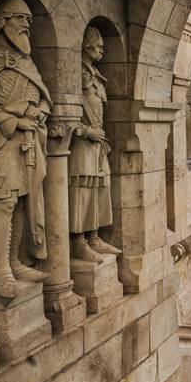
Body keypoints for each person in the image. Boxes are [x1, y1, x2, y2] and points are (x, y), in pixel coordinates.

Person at [0, 0, 51, 299]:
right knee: (1, 204)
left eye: (29, 21)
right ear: (2, 22)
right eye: (20, 18)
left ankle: (14, 261)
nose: (26, 25)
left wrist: (39, 111)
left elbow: (43, 96)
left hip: (28, 144)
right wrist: (12, 119)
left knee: (21, 202)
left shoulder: (27, 61)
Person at [70, 27, 121, 263]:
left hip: (98, 145)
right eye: (98, 45)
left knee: (101, 188)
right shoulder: (74, 72)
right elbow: (64, 115)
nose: (102, 48)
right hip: (81, 145)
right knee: (81, 191)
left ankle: (94, 237)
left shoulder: (95, 74)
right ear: (85, 45)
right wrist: (86, 131)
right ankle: (78, 243)